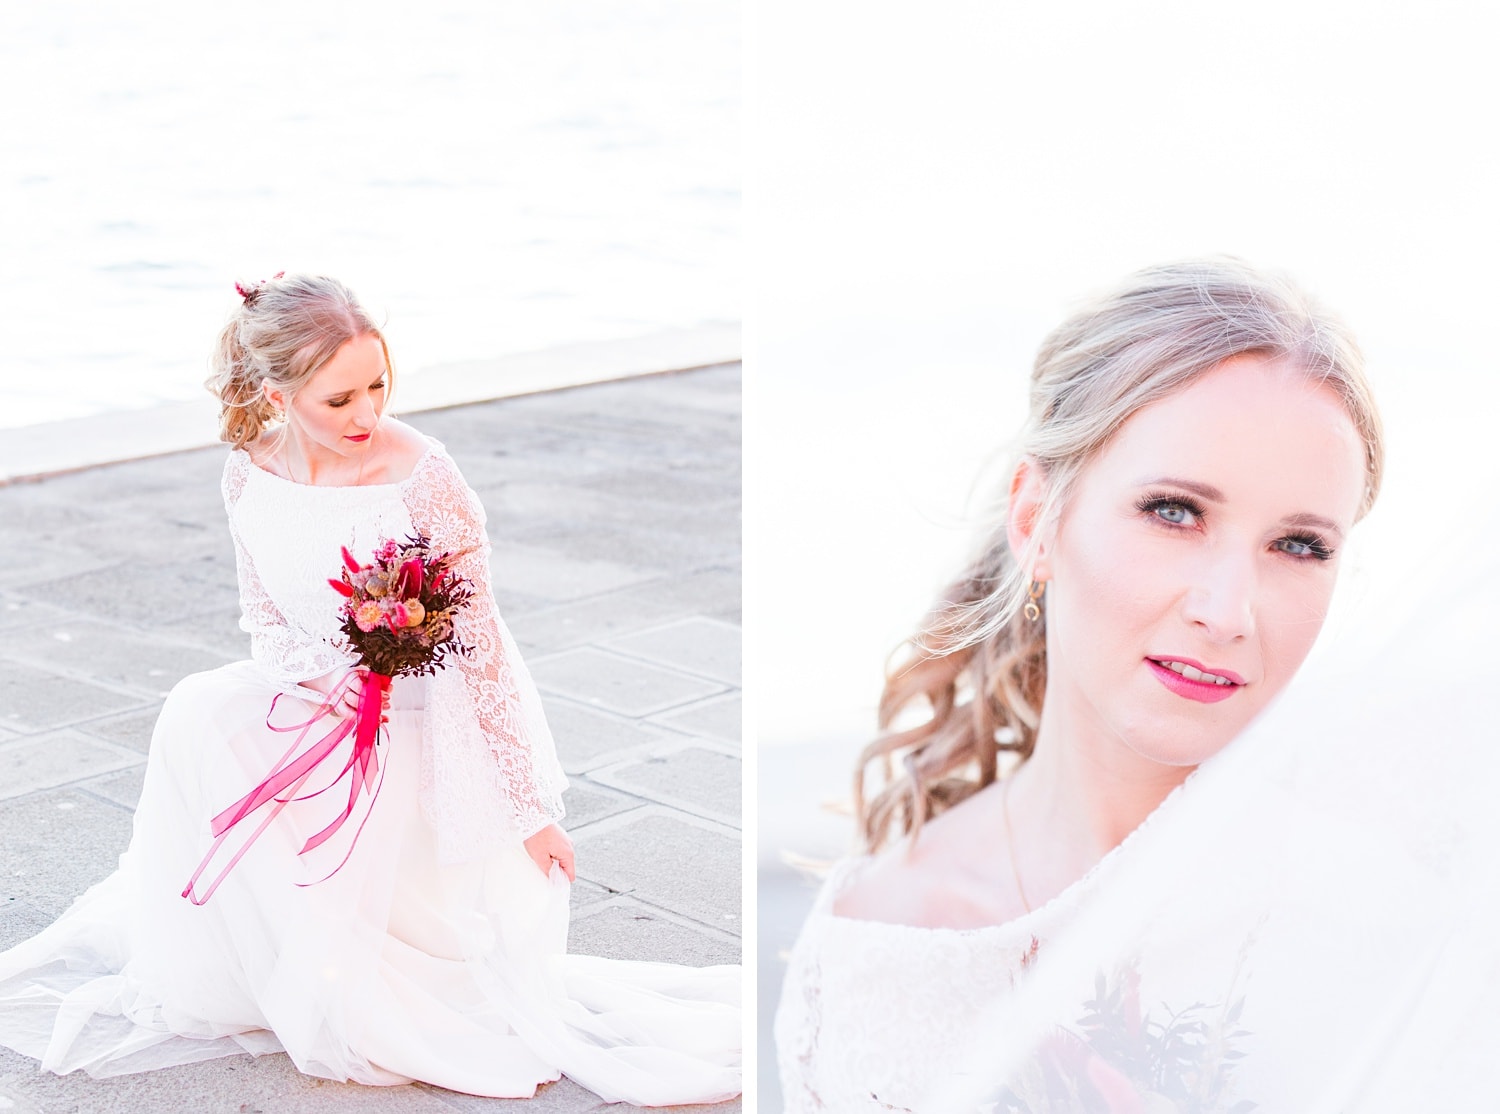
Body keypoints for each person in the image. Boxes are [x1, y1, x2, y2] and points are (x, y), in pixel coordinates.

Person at [0, 273, 740, 1106]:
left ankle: (368, 970)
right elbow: (264, 616)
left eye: (379, 385)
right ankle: (270, 958)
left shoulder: (425, 476)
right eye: (340, 396)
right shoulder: (249, 475)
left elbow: (481, 644)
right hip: (316, 693)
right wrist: (327, 684)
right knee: (199, 713)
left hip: (429, 709)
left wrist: (529, 807)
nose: (366, 414)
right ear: (278, 390)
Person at [773, 257, 1401, 1110]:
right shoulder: (885, 942)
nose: (1229, 612)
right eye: (1175, 511)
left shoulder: (1388, 916)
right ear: (1037, 518)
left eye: (1299, 546)